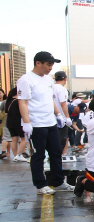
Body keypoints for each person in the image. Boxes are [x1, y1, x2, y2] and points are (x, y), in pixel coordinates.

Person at [17, 51, 74, 194]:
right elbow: (23, 102)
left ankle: (58, 181)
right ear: (38, 63)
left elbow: (50, 100)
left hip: (51, 123)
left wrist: (58, 115)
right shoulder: (26, 80)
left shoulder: (49, 79)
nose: (50, 68)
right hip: (36, 124)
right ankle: (40, 184)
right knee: (38, 155)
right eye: (48, 64)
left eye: (52, 65)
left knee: (56, 153)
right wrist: (26, 122)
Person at [4, 88, 30, 162]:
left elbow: (6, 113)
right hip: (18, 122)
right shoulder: (18, 101)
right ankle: (19, 154)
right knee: (24, 139)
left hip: (9, 122)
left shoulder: (8, 101)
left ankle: (15, 155)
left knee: (14, 139)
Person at [53, 71, 73, 155]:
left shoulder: (51, 87)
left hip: (50, 118)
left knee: (52, 140)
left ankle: (52, 157)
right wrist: (67, 117)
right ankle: (58, 158)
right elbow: (63, 104)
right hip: (60, 119)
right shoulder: (62, 89)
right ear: (65, 79)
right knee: (61, 140)